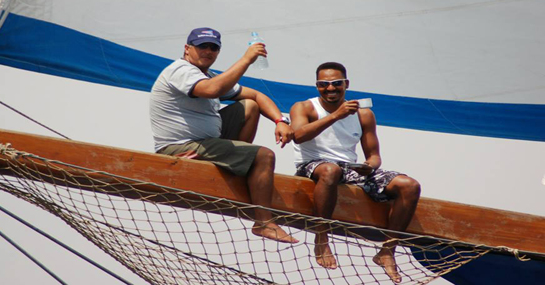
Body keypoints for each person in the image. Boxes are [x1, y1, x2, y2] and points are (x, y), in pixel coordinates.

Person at [149, 27, 298, 244]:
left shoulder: (207, 75)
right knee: (264, 156)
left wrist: (280, 121)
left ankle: (238, 165)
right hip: (181, 147)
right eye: (202, 46)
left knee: (250, 106)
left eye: (214, 48)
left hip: (207, 142)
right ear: (187, 48)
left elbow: (257, 95)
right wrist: (246, 60)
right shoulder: (181, 70)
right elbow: (211, 90)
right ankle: (264, 223)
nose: (208, 51)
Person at [290, 62, 421, 282]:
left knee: (409, 185)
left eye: (336, 84)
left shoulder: (363, 114)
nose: (330, 88)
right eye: (324, 84)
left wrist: (368, 166)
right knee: (330, 171)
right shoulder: (304, 107)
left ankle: (387, 251)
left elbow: (374, 156)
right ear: (317, 86)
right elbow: (299, 136)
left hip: (349, 169)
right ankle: (322, 238)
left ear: (346, 84)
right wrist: (335, 116)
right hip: (313, 165)